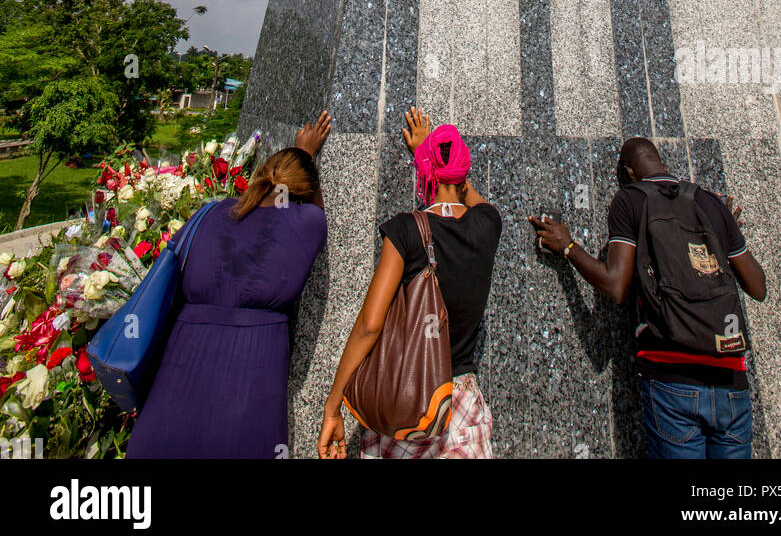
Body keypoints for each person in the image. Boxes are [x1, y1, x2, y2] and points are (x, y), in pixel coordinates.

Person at [530, 136, 767, 460]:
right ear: (661, 162)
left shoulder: (630, 200)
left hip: (673, 379)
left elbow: (616, 287)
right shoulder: (710, 203)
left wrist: (569, 247)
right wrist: (723, 234)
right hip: (730, 379)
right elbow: (758, 287)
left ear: (628, 172)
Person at [125, 111, 331, 459]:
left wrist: (291, 161)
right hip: (253, 363)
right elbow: (315, 209)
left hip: (182, 360)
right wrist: (307, 156)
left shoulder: (210, 212)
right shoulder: (306, 223)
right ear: (304, 189)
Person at [317, 107, 502, 459]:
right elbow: (472, 198)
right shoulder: (489, 225)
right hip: (461, 403)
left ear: (427, 172)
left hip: (407, 401)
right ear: (464, 176)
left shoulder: (405, 231)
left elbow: (370, 325)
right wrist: (437, 160)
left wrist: (333, 403)